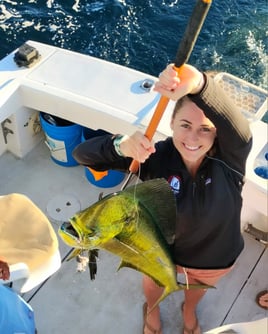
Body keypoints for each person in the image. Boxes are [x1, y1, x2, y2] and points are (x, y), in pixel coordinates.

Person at [72, 64, 252, 334]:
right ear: (171, 123)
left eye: (205, 129)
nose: (192, 137)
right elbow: (82, 154)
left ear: (218, 133)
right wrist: (120, 145)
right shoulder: (154, 157)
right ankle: (152, 311)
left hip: (214, 257)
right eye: (185, 125)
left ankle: (188, 311)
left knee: (195, 291)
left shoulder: (231, 159)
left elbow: (239, 130)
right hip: (158, 252)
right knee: (154, 284)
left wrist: (199, 82)